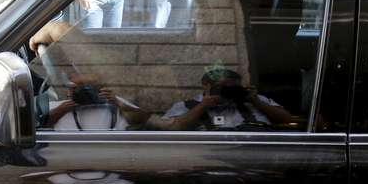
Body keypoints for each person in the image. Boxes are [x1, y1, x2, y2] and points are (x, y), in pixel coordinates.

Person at [157, 68, 293, 130]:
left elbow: (286, 119)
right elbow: (171, 128)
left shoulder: (254, 101)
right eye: (224, 86)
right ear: (206, 86)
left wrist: (257, 102)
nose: (230, 90)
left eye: (234, 86)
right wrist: (203, 106)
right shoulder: (186, 106)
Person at [44, 72, 150, 130]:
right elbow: (34, 126)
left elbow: (142, 119)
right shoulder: (57, 107)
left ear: (102, 88)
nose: (85, 92)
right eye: (78, 88)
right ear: (69, 90)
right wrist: (59, 111)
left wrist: (118, 103)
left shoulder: (113, 104)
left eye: (90, 87)